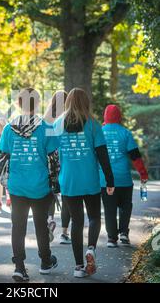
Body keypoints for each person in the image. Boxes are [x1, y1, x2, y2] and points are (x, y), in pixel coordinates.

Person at [0, 88, 59, 282]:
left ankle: (19, 267)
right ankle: (45, 261)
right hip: (40, 186)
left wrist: (5, 182)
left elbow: (3, 158)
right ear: (38, 103)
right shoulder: (46, 128)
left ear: (18, 104)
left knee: (18, 226)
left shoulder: (8, 128)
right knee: (41, 226)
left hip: (16, 186)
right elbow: (54, 160)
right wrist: (55, 184)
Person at [54, 88, 114, 278]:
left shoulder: (57, 124)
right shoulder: (94, 125)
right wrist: (110, 179)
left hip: (68, 181)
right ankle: (91, 249)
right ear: (86, 102)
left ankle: (79, 267)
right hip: (90, 180)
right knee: (95, 217)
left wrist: (54, 182)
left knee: (77, 223)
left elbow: (51, 156)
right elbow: (103, 155)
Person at [100, 105, 148, 248]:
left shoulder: (100, 133)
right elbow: (135, 156)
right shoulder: (125, 133)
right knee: (126, 207)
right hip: (124, 179)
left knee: (109, 209)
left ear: (105, 116)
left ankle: (111, 239)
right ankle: (124, 234)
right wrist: (143, 174)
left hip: (105, 180)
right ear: (119, 116)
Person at [44, 90, 71, 244]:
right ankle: (65, 233)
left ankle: (49, 220)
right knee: (66, 197)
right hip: (66, 160)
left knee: (51, 196)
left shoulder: (46, 119)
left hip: (50, 161)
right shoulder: (68, 118)